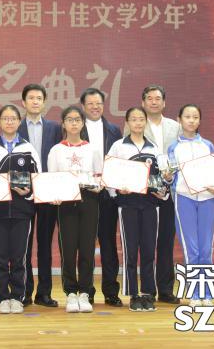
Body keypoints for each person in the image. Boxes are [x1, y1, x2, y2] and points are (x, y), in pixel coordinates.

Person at [0, 104, 41, 314]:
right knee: (0, 257)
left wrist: (29, 192)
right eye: (5, 118)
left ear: (19, 121)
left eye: (13, 118)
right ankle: (2, 298)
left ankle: (17, 297)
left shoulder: (28, 148)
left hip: (22, 211)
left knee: (19, 257)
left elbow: (37, 178)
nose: (9, 121)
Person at [108, 107, 167, 312]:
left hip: (150, 204)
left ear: (145, 122)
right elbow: (109, 175)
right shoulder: (118, 147)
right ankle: (133, 293)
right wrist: (117, 191)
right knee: (130, 250)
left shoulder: (154, 148)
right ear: (127, 123)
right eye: (134, 119)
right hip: (128, 204)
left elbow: (162, 176)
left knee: (149, 250)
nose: (138, 123)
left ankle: (148, 293)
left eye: (141, 119)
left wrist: (162, 190)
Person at [167, 104, 214, 306]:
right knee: (191, 249)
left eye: (195, 117)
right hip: (184, 199)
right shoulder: (173, 147)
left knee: (205, 249)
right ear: (179, 119)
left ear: (200, 120)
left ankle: (207, 293)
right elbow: (170, 176)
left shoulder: (207, 145)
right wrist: (167, 176)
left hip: (208, 198)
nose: (191, 120)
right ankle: (194, 293)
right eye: (187, 117)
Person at [48, 105, 98, 313]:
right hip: (66, 202)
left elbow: (99, 177)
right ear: (63, 124)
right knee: (68, 249)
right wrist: (54, 196)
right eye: (70, 119)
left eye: (78, 119)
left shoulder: (92, 149)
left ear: (83, 123)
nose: (74, 123)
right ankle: (70, 293)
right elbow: (51, 179)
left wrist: (97, 185)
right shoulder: (56, 150)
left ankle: (85, 292)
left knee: (87, 248)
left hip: (89, 200)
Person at [17, 83, 63, 307]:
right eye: (31, 98)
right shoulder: (15, 127)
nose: (35, 101)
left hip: (47, 191)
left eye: (39, 98)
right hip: (23, 192)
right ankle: (25, 291)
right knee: (24, 245)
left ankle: (44, 293)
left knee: (45, 244)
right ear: (23, 102)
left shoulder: (54, 128)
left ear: (44, 102)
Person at [139, 85, 182, 305]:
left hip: (170, 192)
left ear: (164, 103)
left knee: (166, 240)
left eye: (158, 98)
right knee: (147, 242)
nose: (154, 102)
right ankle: (148, 289)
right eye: (149, 98)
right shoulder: (136, 125)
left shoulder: (176, 127)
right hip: (146, 193)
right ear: (143, 103)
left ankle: (165, 289)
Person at [80, 88, 123, 307]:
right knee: (86, 244)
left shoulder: (114, 130)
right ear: (83, 106)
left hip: (108, 194)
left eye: (98, 103)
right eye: (90, 103)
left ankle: (111, 291)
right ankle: (86, 291)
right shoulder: (76, 128)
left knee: (108, 243)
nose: (95, 107)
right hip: (84, 194)